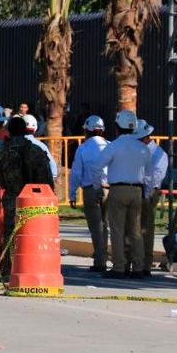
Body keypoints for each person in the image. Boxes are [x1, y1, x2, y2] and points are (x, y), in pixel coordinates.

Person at [94, 110, 153, 279]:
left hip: (118, 190)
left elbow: (97, 166)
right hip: (137, 190)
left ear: (117, 126)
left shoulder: (114, 145)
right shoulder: (143, 148)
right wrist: (145, 192)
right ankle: (138, 268)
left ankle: (119, 267)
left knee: (118, 230)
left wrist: (99, 186)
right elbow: (148, 174)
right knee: (135, 231)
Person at [0, 117, 54, 249]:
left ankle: (10, 266)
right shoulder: (36, 150)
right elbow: (48, 181)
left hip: (12, 200)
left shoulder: (1, 151)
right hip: (36, 203)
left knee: (11, 237)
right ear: (25, 130)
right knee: (33, 237)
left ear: (8, 131)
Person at [68, 115, 110, 272]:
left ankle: (100, 260)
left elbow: (77, 173)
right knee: (106, 226)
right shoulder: (109, 145)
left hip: (91, 190)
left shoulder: (83, 148)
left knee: (96, 227)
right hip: (109, 189)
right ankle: (103, 255)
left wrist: (72, 194)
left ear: (86, 131)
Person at [135, 119, 168, 277]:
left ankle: (145, 265)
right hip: (139, 191)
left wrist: (145, 193)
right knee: (134, 229)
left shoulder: (159, 154)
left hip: (149, 192)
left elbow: (156, 176)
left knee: (146, 230)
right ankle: (137, 262)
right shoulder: (140, 151)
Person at [22, 114, 58, 179]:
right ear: (35, 128)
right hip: (37, 184)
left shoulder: (11, 144)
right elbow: (53, 169)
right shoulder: (41, 146)